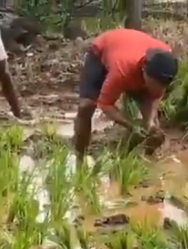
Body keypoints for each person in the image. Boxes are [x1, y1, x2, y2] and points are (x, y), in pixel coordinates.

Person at [74, 28, 179, 164]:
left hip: (132, 49)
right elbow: (105, 105)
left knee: (153, 130)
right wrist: (131, 125)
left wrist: (150, 122)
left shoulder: (165, 63)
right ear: (144, 71)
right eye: (154, 84)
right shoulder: (122, 71)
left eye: (162, 86)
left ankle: (145, 161)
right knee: (86, 106)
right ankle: (79, 160)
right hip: (104, 49)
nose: (157, 89)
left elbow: (153, 100)